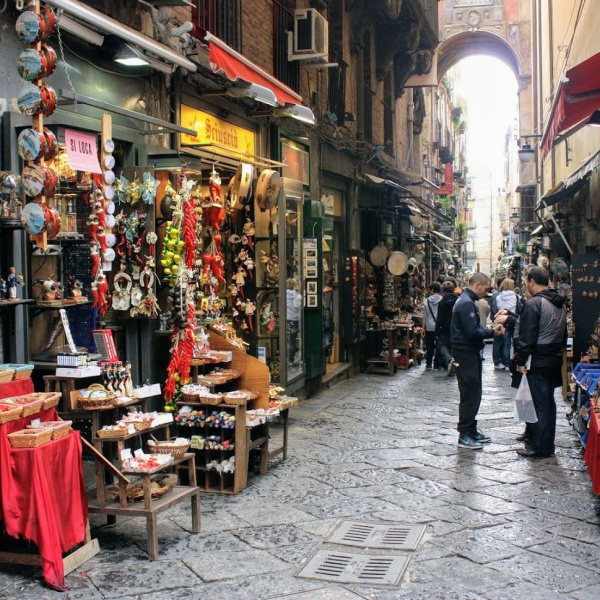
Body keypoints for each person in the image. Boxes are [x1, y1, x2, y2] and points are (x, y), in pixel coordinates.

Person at [512, 266, 567, 458]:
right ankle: (546, 444)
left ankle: (540, 446)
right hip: (554, 359)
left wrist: (520, 360)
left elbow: (527, 336)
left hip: (538, 360)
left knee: (539, 404)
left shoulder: (535, 303)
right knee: (548, 403)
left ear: (531, 281)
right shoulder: (559, 302)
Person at [451, 272, 505, 449]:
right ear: (477, 285)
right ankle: (464, 434)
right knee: (469, 393)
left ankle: (471, 429)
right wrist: (492, 332)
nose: (487, 292)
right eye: (486, 288)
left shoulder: (467, 301)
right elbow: (472, 332)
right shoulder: (466, 303)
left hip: (468, 352)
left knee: (474, 392)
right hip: (465, 353)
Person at [493, 278, 521, 370]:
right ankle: (513, 361)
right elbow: (519, 309)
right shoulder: (516, 297)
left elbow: (495, 309)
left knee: (504, 343)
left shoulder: (498, 297)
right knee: (514, 343)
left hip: (502, 321)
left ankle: (504, 363)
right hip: (512, 320)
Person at [435, 280, 458, 372]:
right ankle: (453, 363)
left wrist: (437, 330)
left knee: (442, 345)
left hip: (444, 327)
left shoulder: (442, 302)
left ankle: (448, 359)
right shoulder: (458, 300)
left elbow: (439, 318)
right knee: (454, 345)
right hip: (456, 326)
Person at [422, 282, 443, 371]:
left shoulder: (426, 301)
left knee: (429, 345)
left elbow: (424, 316)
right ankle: (436, 365)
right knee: (438, 345)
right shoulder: (442, 300)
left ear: (432, 290)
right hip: (439, 326)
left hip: (429, 326)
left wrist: (423, 328)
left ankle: (429, 364)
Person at [286, 278, 302, 366]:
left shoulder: (283, 295)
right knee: (293, 339)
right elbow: (298, 308)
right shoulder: (298, 296)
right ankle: (291, 359)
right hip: (295, 319)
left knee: (287, 339)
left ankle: (286, 358)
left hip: (286, 319)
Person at [475, 295, 490, 360]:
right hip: (482, 322)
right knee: (481, 338)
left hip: (474, 322)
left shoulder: (471, 302)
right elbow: (487, 312)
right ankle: (481, 354)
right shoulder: (485, 303)